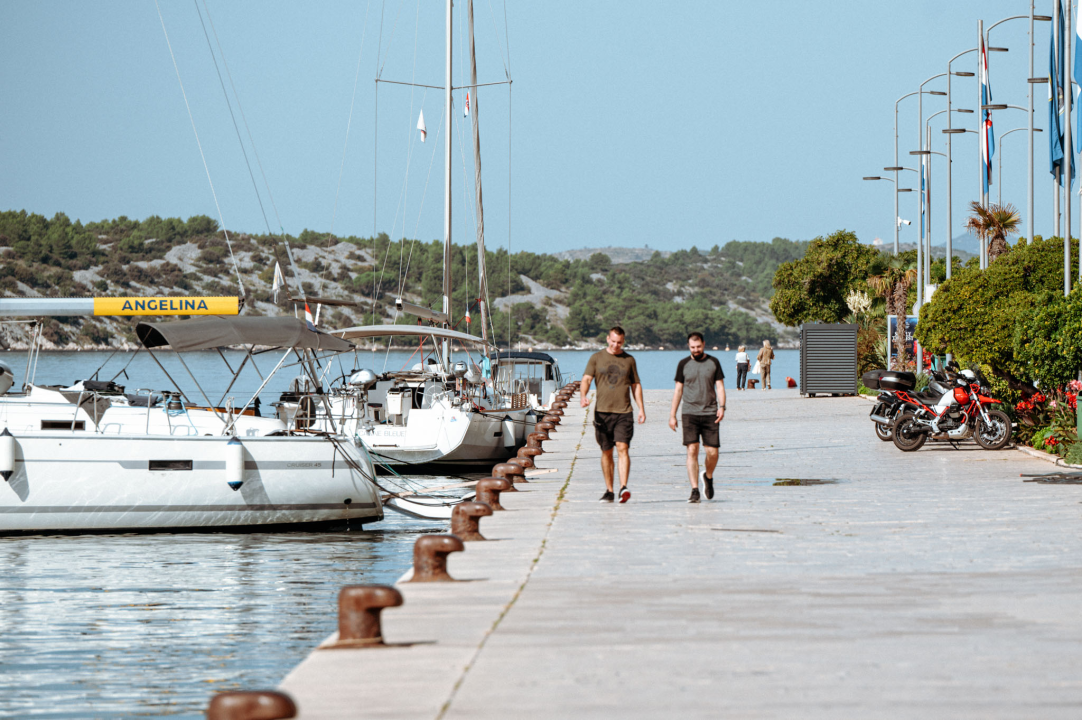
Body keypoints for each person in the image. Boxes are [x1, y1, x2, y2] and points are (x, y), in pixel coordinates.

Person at [581, 326, 645, 503]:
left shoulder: (629, 360)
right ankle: (609, 490)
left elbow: (635, 385)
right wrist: (583, 396)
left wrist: (641, 408)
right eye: (613, 341)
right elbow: (586, 379)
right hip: (602, 412)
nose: (616, 345)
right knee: (606, 451)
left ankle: (623, 487)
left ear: (623, 341)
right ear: (608, 339)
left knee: (623, 447)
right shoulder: (596, 358)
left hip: (624, 411)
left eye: (620, 342)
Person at [668, 332, 726, 503]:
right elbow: (678, 390)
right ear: (689, 347)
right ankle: (694, 490)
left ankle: (708, 476)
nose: (696, 350)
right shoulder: (683, 364)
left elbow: (720, 387)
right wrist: (672, 415)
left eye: (698, 346)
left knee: (712, 453)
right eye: (693, 347)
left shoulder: (713, 362)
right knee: (692, 450)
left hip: (710, 413)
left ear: (703, 344)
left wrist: (722, 407)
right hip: (689, 413)